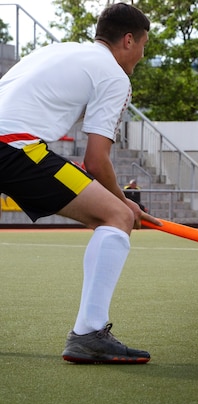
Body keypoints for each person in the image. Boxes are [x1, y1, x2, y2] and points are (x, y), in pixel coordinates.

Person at [0, 3, 161, 363]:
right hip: (14, 147)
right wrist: (125, 203)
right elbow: (96, 159)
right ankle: (89, 333)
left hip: (8, 142)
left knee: (115, 211)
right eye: (143, 45)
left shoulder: (56, 50)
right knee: (116, 217)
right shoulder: (114, 75)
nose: (142, 54)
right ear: (129, 39)